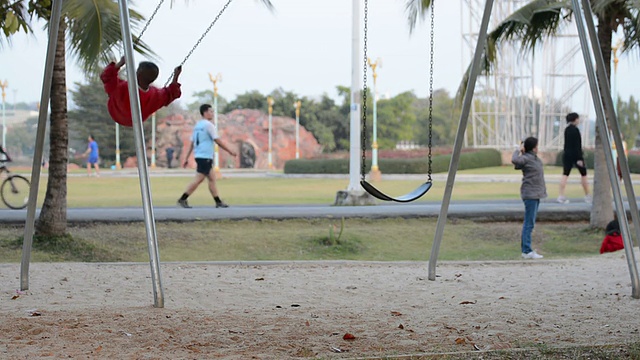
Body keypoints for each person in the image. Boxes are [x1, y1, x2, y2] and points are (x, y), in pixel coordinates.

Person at [177, 104, 237, 208]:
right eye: (211, 111)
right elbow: (217, 140)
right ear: (205, 113)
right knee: (199, 179)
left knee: (212, 178)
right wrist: (230, 151)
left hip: (200, 156)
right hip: (205, 156)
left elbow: (192, 143)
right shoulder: (209, 126)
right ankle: (183, 198)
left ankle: (218, 201)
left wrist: (186, 158)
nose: (212, 113)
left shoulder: (197, 126)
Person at [100, 56, 182, 127]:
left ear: (138, 73)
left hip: (116, 113)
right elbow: (172, 93)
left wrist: (120, 63)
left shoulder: (123, 88)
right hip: (134, 121)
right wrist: (176, 76)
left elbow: (106, 77)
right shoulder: (155, 96)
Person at [512, 137, 546, 259]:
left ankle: (527, 249)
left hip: (536, 194)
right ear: (534, 147)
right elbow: (515, 160)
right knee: (529, 223)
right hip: (530, 194)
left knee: (530, 222)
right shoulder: (526, 158)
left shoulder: (532, 158)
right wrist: (518, 150)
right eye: (537, 145)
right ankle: (526, 250)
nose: (538, 148)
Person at [557, 112, 591, 204]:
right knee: (584, 175)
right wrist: (579, 158)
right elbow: (577, 145)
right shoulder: (575, 130)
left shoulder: (567, 130)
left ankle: (561, 195)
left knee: (565, 174)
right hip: (576, 156)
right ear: (575, 119)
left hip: (567, 154)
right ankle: (587, 195)